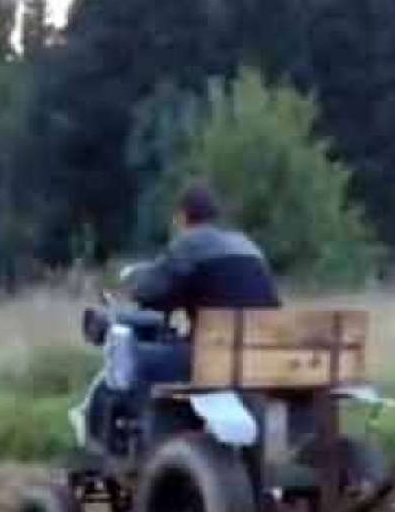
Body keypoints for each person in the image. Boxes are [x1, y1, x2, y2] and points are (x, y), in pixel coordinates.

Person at [87, 182, 281, 452]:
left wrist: (133, 279)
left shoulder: (190, 244)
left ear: (182, 216)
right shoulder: (248, 246)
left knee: (134, 357)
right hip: (263, 356)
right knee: (177, 352)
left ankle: (145, 448)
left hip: (215, 358)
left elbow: (151, 291)